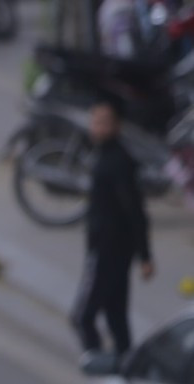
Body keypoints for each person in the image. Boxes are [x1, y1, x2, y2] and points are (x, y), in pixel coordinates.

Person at [71, 100, 154, 359]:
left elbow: (135, 210)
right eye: (94, 121)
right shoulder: (104, 155)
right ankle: (125, 363)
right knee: (115, 313)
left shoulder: (118, 162)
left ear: (116, 125)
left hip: (109, 252)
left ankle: (96, 364)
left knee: (83, 317)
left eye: (103, 122)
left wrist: (145, 255)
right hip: (109, 249)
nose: (96, 127)